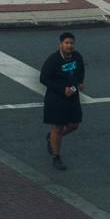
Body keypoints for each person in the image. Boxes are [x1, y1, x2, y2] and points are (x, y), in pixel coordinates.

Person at [40, 31, 87, 168]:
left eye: (71, 43)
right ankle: (56, 157)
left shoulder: (77, 57)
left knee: (74, 125)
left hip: (73, 96)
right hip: (56, 99)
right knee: (57, 127)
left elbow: (81, 71)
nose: (69, 45)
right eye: (66, 43)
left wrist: (80, 82)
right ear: (60, 44)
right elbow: (43, 79)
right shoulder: (53, 60)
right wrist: (62, 89)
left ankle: (52, 137)